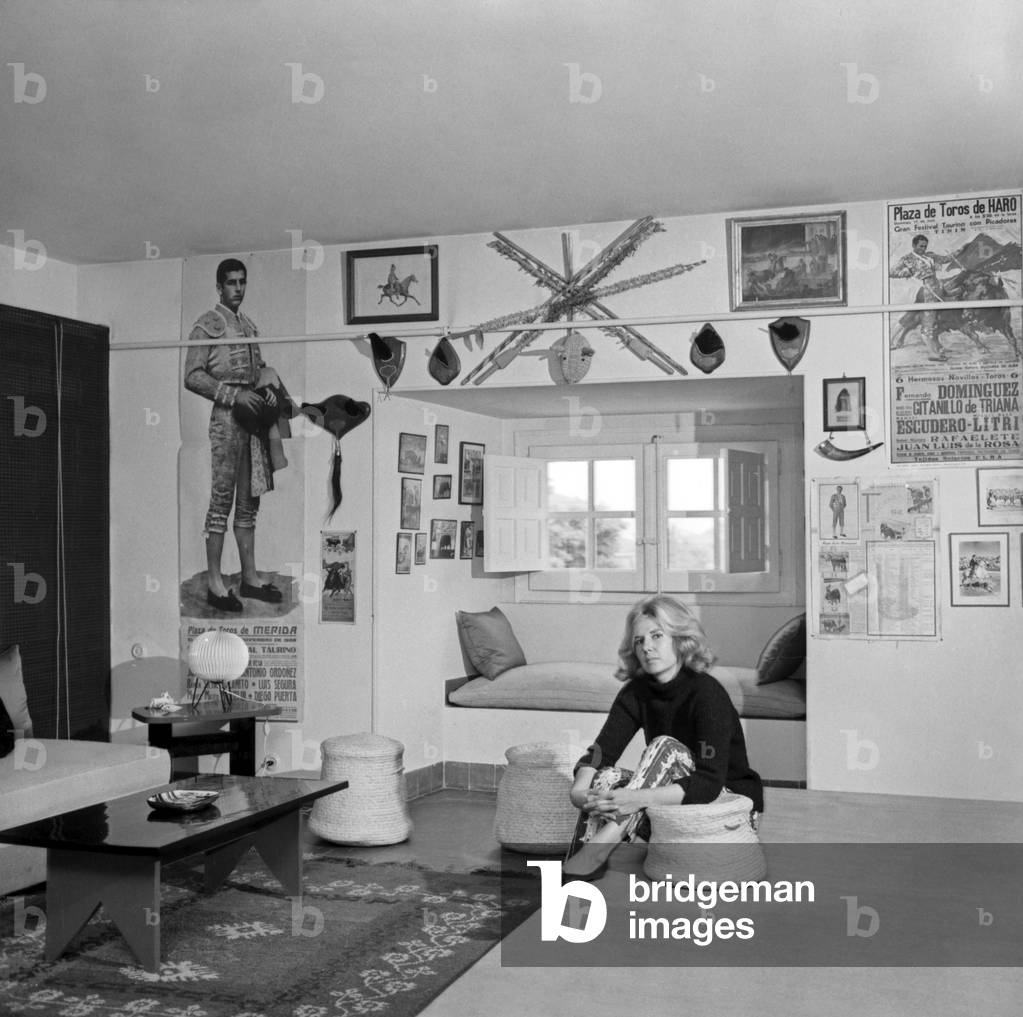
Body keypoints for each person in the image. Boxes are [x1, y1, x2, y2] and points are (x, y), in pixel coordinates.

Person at [562, 595, 763, 881]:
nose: (647, 647)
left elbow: (708, 782)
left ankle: (602, 845)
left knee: (664, 746)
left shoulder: (707, 693)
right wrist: (580, 792)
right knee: (604, 777)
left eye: (657, 636)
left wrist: (636, 798)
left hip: (726, 805)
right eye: (639, 640)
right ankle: (583, 855)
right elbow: (600, 752)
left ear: (680, 640)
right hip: (672, 801)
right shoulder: (636, 692)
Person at [184, 258, 285, 612]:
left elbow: (258, 371)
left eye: (242, 282)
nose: (238, 288)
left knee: (249, 500)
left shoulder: (250, 326)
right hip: (227, 417)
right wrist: (232, 395)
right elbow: (192, 375)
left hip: (253, 417)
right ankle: (215, 581)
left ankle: (249, 578)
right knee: (221, 500)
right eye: (231, 283)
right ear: (219, 287)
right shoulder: (207, 325)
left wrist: (266, 389)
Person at [889, 233, 959, 360]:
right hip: (927, 293)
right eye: (921, 246)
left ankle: (890, 341)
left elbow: (945, 259)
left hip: (935, 289)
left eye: (925, 246)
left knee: (909, 317)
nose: (923, 249)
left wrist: (962, 249)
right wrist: (906, 272)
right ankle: (933, 353)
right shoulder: (907, 259)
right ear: (914, 245)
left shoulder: (930, 255)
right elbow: (891, 272)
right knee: (928, 322)